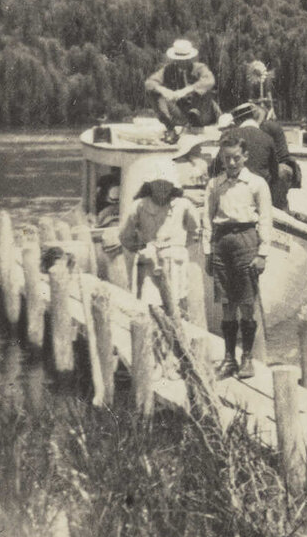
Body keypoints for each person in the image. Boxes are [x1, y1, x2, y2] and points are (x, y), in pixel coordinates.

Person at [204, 137, 271, 379]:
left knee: (246, 302)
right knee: (226, 303)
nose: (231, 163)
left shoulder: (256, 184)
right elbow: (207, 219)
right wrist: (208, 252)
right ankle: (229, 358)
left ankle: (247, 358)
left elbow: (265, 219)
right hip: (221, 243)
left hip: (246, 241)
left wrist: (262, 253)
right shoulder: (214, 185)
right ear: (221, 159)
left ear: (245, 157)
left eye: (236, 158)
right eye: (226, 158)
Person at [115, 176, 202, 318]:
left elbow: (196, 231)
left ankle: (178, 334)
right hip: (149, 262)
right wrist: (142, 247)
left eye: (166, 184)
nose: (162, 188)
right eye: (157, 184)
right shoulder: (139, 206)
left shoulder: (184, 205)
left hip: (176, 263)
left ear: (173, 185)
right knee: (150, 304)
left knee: (177, 304)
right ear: (150, 185)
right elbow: (125, 235)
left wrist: (179, 247)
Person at [210, 100, 292, 212]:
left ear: (238, 120)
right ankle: (281, 211)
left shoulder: (230, 135)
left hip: (234, 190)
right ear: (254, 118)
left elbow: (216, 167)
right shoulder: (267, 138)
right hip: (260, 191)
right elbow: (274, 171)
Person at [145, 39, 219, 138]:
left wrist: (186, 90)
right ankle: (170, 128)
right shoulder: (168, 70)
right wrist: (164, 90)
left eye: (185, 59)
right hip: (181, 112)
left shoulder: (200, 68)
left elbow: (210, 81)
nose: (182, 62)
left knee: (205, 91)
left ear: (190, 58)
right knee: (154, 93)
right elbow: (149, 83)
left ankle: (197, 123)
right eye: (179, 59)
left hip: (202, 112)